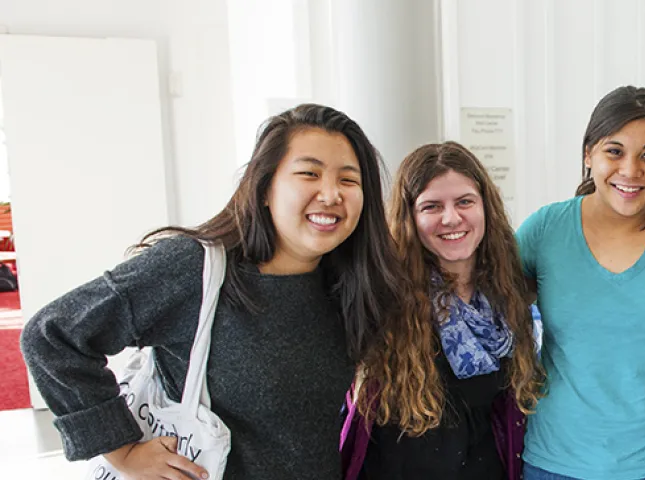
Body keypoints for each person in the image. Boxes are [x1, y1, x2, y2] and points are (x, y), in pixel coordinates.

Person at [21, 104, 401, 479]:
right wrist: (123, 451)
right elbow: (52, 335)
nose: (331, 194)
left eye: (349, 180)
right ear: (264, 187)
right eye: (309, 173)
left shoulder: (345, 284)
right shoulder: (194, 267)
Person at [516, 86, 645, 479]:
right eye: (614, 151)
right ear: (588, 155)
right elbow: (478, 290)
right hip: (554, 465)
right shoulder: (545, 230)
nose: (630, 170)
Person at [354, 142, 544, 479]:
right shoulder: (384, 299)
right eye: (431, 206)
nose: (451, 218)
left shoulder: (508, 293)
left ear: (486, 206)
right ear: (410, 217)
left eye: (465, 202)